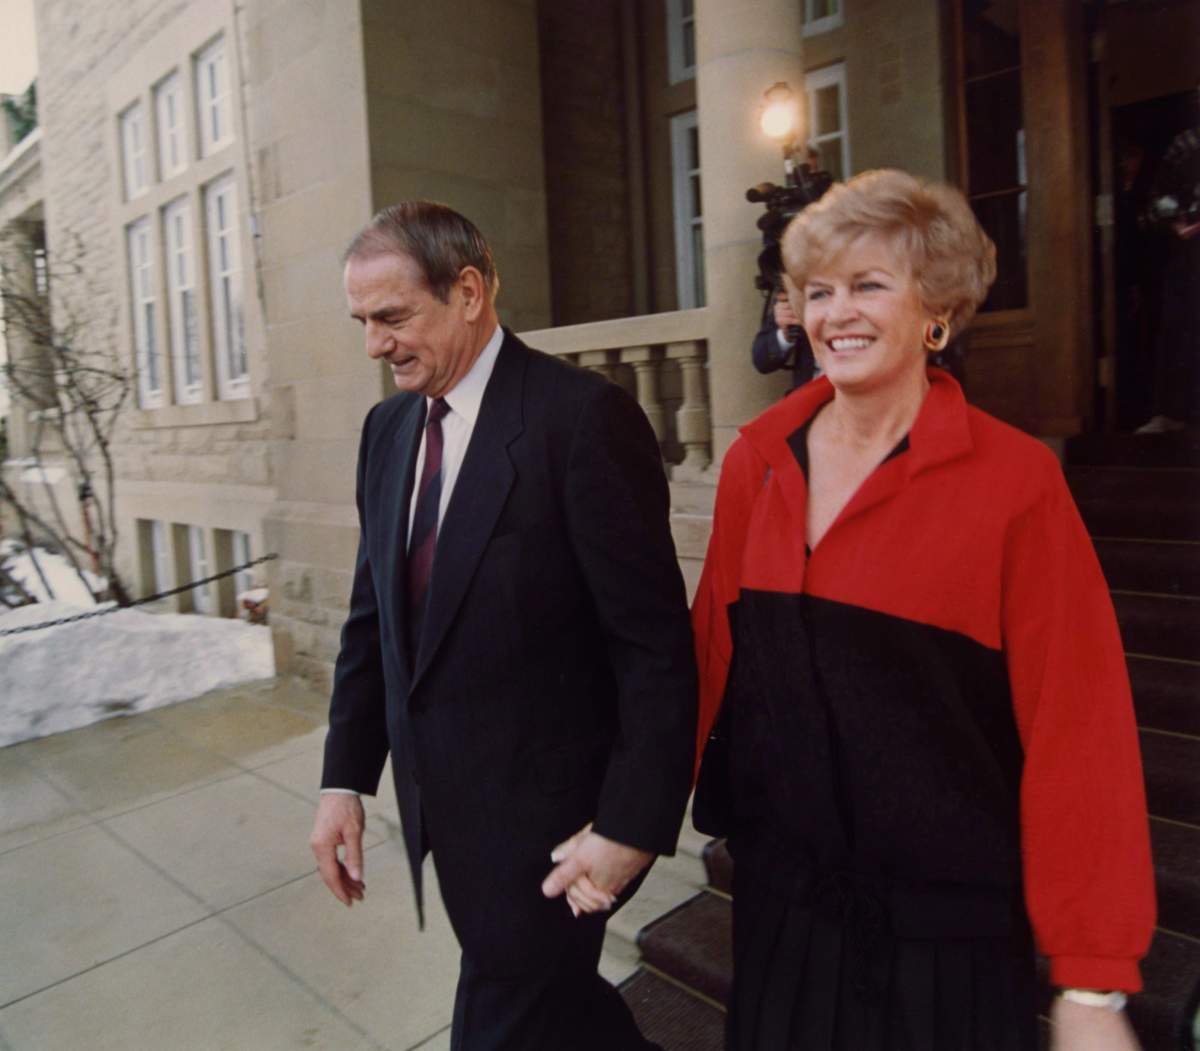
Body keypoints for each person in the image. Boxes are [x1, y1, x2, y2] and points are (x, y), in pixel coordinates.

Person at [691, 170, 1155, 1050]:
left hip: (948, 942)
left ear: (937, 309)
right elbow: (709, 659)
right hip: (783, 911)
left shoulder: (1017, 483)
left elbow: (1078, 723)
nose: (836, 313)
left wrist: (1092, 979)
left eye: (869, 284)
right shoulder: (758, 462)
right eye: (817, 292)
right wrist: (629, 819)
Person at [310, 201, 697, 1051]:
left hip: (560, 835)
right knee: (567, 1017)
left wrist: (630, 826)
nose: (374, 343)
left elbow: (655, 649)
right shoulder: (386, 431)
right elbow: (374, 620)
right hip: (447, 819)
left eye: (392, 316)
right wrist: (346, 778)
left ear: (471, 291)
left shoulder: (582, 421)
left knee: (503, 1025)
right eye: (362, 321)